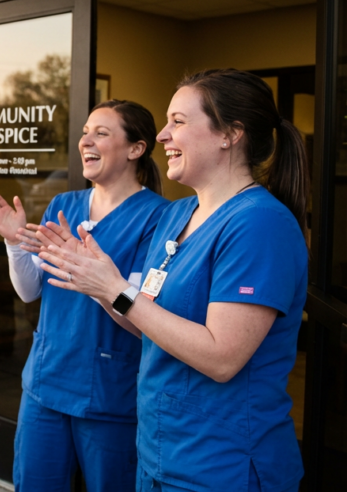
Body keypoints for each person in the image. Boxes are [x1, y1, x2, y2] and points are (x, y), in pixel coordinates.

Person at [37, 69, 308, 492]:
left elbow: (222, 358)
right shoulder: (176, 215)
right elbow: (144, 320)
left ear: (229, 134)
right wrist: (95, 282)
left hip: (222, 465)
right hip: (159, 452)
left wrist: (115, 289)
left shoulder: (260, 224)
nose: (162, 135)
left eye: (178, 122)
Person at [0, 100, 168, 491]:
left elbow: (144, 320)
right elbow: (31, 291)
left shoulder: (158, 219)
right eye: (85, 132)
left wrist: (93, 280)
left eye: (101, 133)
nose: (87, 141)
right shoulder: (63, 205)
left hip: (109, 394)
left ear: (136, 149)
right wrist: (14, 243)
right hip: (46, 382)